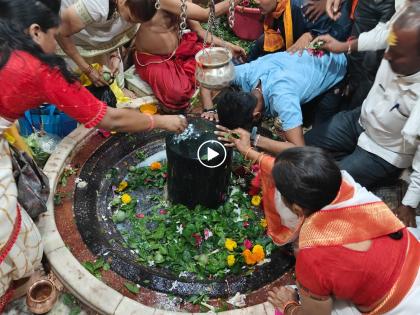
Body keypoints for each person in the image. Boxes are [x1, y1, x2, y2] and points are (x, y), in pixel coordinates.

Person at [0, 0, 187, 310]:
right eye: (53, 34)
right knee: (8, 231)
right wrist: (160, 121)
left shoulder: (9, 35)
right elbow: (108, 119)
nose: (56, 40)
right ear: (35, 31)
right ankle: (18, 281)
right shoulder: (38, 69)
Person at [304, 3, 420, 228]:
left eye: (397, 53)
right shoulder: (399, 41)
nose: (387, 55)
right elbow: (383, 36)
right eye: (390, 47)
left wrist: (409, 204)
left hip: (385, 151)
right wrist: (343, 46)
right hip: (360, 120)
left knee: (326, 187)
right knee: (306, 146)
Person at [266, 146, 420, 315]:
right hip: (412, 257)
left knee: (303, 295)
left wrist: (289, 306)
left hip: (401, 305)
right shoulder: (351, 188)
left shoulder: (312, 255)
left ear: (297, 208)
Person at [205, 49, 347, 150]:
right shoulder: (246, 74)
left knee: (316, 140)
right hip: (307, 64)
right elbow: (205, 74)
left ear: (257, 116)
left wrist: (253, 139)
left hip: (335, 67)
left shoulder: (283, 97)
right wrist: (209, 109)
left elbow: (299, 149)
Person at [132, 0, 246, 113]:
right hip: (153, 58)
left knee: (213, 58)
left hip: (180, 49)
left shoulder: (184, 1)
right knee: (177, 93)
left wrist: (227, 46)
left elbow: (199, 30)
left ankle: (205, 102)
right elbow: (205, 15)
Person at [57, 0, 140, 87]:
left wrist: (114, 53)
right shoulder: (97, 5)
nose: (130, 24)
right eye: (129, 18)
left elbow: (116, 28)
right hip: (70, 41)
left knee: (114, 84)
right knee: (73, 85)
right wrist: (88, 70)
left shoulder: (127, 8)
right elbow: (61, 33)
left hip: (96, 38)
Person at [246, 0, 352, 61]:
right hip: (297, 43)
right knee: (263, 41)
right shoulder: (277, 9)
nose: (256, 2)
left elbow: (335, 38)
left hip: (329, 53)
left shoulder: (303, 8)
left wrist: (310, 38)